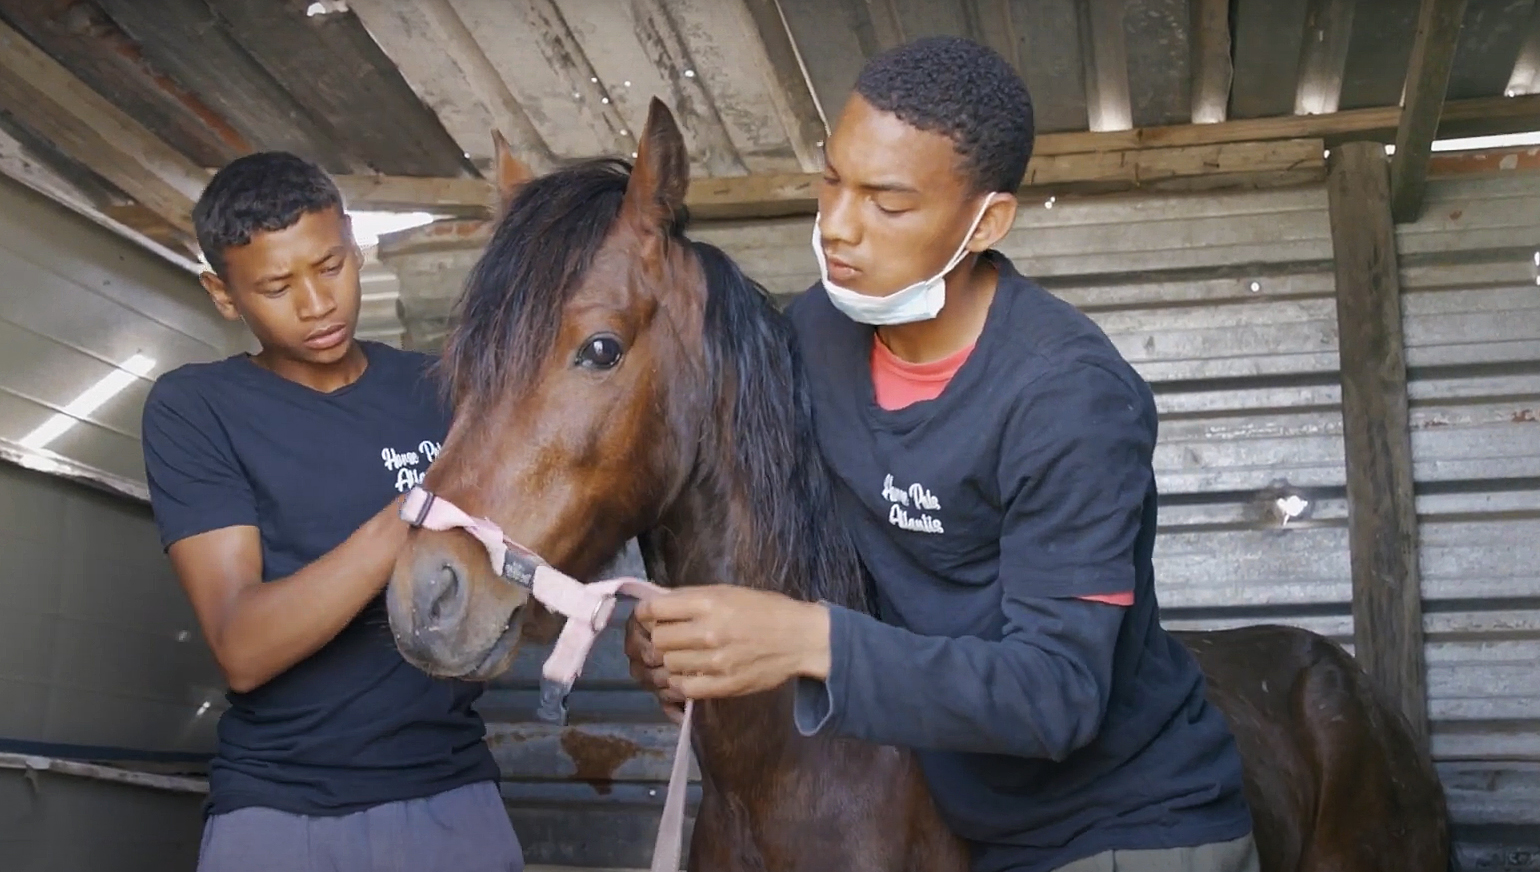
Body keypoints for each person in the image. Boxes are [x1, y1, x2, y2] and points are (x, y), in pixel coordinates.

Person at [624, 36, 1259, 872]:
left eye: (887, 203)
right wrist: (686, 644)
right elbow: (771, 540)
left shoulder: (1068, 397)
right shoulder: (813, 336)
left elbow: (1057, 695)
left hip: (1117, 827)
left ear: (985, 221)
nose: (838, 225)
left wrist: (806, 641)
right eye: (832, 180)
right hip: (961, 815)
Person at [140, 152, 521, 872]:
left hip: (454, 795)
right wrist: (407, 515)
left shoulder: (440, 389)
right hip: (283, 814)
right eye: (278, 286)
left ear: (354, 242)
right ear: (223, 295)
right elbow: (242, 648)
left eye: (332, 266)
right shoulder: (198, 410)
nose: (317, 304)